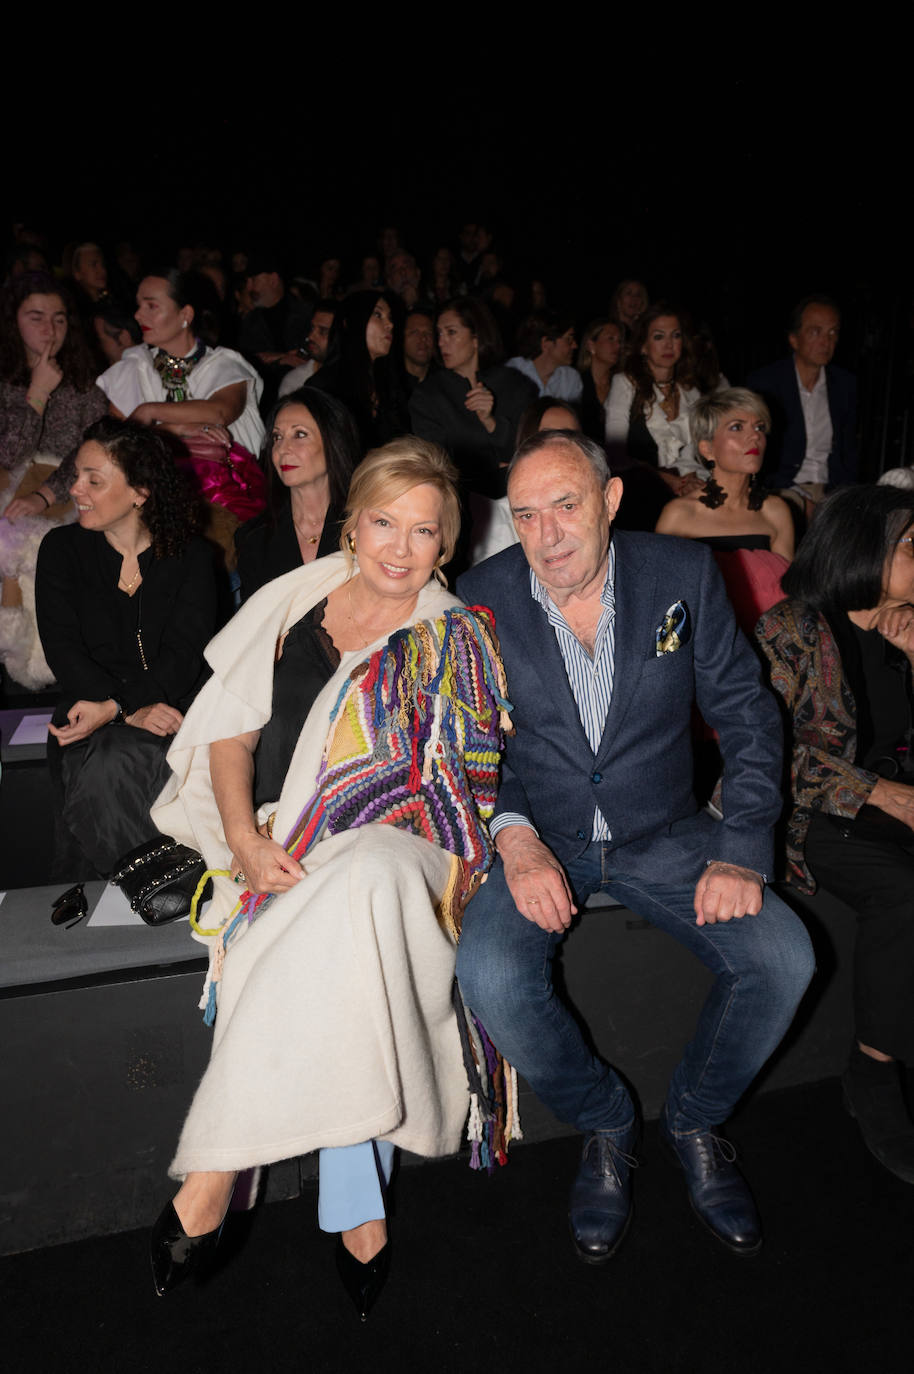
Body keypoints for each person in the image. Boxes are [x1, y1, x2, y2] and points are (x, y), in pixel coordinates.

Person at [148, 438, 510, 1316]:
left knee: (365, 875)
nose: (399, 545)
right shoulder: (292, 598)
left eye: (423, 531)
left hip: (411, 855)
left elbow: (461, 792)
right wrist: (241, 838)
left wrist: (339, 830)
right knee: (342, 923)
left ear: (446, 546)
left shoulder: (454, 638)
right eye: (384, 521)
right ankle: (356, 1207)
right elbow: (227, 735)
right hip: (274, 845)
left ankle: (217, 1170)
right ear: (352, 524)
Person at [456, 430, 814, 1264]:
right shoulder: (480, 594)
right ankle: (608, 1121)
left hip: (668, 831)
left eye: (567, 506)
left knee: (785, 958)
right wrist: (513, 839)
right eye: (526, 515)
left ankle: (693, 1119)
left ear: (611, 499)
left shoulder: (680, 574)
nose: (546, 535)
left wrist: (742, 840)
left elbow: (750, 714)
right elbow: (473, 743)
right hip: (542, 833)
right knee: (492, 976)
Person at [756, 486, 914, 1184]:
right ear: (864, 550)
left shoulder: (910, 625)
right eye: (912, 544)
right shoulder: (792, 630)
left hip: (896, 801)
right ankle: (873, 1073)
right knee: (906, 894)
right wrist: (878, 792)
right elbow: (762, 754)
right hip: (820, 813)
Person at [35, 418, 217, 878]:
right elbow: (63, 651)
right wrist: (121, 710)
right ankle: (141, 887)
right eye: (78, 475)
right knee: (110, 760)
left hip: (177, 703)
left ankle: (179, 885)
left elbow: (186, 653)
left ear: (139, 491)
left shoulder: (191, 556)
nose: (76, 489)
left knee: (162, 756)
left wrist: (124, 705)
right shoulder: (62, 549)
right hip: (88, 708)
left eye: (94, 480)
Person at [0, 273, 108, 689]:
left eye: (59, 319)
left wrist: (46, 494)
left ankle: (55, 666)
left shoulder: (84, 385)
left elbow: (94, 449)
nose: (50, 330)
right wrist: (38, 393)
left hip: (69, 492)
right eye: (36, 317)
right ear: (14, 322)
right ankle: (19, 664)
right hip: (10, 495)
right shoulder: (6, 384)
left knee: (54, 548)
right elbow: (8, 454)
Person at [656, 388, 794, 633]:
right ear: (707, 449)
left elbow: (789, 600)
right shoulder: (680, 515)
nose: (754, 437)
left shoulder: (776, 511)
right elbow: (663, 605)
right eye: (737, 427)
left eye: (759, 428)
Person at [98, 271, 264, 456]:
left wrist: (149, 411)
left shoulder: (224, 365)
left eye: (151, 306)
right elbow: (115, 444)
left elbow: (220, 412)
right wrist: (175, 429)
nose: (138, 315)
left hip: (220, 482)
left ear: (185, 314)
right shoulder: (131, 369)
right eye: (139, 305)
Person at [234, 387, 359, 600]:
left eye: (299, 434)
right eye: (277, 437)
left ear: (333, 442)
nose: (283, 448)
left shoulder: (365, 526)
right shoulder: (253, 538)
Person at [747, 295, 857, 510]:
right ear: (794, 339)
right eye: (816, 332)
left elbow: (849, 450)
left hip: (830, 490)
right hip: (783, 487)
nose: (826, 342)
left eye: (833, 332)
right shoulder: (767, 383)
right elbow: (760, 450)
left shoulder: (844, 385)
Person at [604, 303, 705, 532]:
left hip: (688, 485)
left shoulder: (691, 391)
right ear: (643, 346)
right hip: (641, 488)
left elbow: (697, 454)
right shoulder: (625, 383)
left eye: (676, 336)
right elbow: (615, 453)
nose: (669, 344)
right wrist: (669, 481)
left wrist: (690, 480)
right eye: (659, 337)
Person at [309, 291, 409, 453]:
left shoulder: (388, 382)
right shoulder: (324, 387)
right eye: (378, 315)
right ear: (351, 322)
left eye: (390, 317)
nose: (390, 324)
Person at [507, 312, 583, 403]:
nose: (575, 345)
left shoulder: (570, 378)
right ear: (546, 343)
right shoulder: (513, 372)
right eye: (568, 339)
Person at [576, 318, 622, 442]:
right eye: (610, 339)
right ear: (591, 345)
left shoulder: (622, 384)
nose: (617, 346)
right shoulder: (575, 383)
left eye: (619, 341)